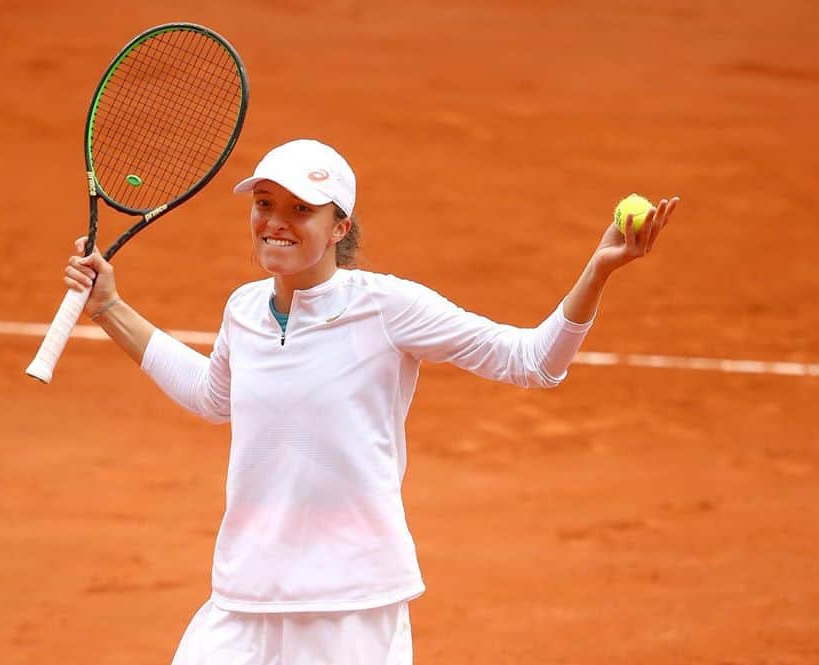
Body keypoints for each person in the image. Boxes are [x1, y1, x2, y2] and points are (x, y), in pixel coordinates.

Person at [63, 139, 679, 664]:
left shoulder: (389, 308)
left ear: (340, 228)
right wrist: (111, 308)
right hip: (244, 597)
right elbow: (211, 396)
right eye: (265, 204)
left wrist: (597, 271)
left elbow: (533, 362)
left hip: (351, 606)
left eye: (301, 209)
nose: (276, 221)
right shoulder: (243, 310)